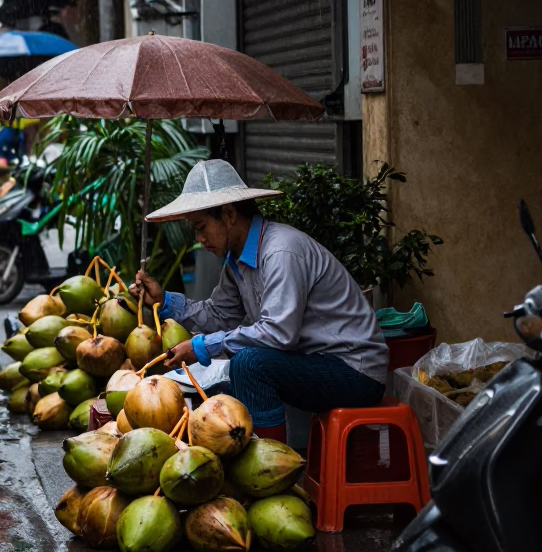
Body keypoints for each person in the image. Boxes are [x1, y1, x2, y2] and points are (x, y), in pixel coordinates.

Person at [130, 159, 387, 443]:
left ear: (228, 214)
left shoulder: (281, 252)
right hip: (315, 362)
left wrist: (202, 345)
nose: (199, 238)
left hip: (355, 371)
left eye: (202, 226)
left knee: (249, 364)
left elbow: (279, 333)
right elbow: (218, 316)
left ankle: (267, 468)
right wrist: (165, 300)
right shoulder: (237, 261)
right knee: (229, 383)